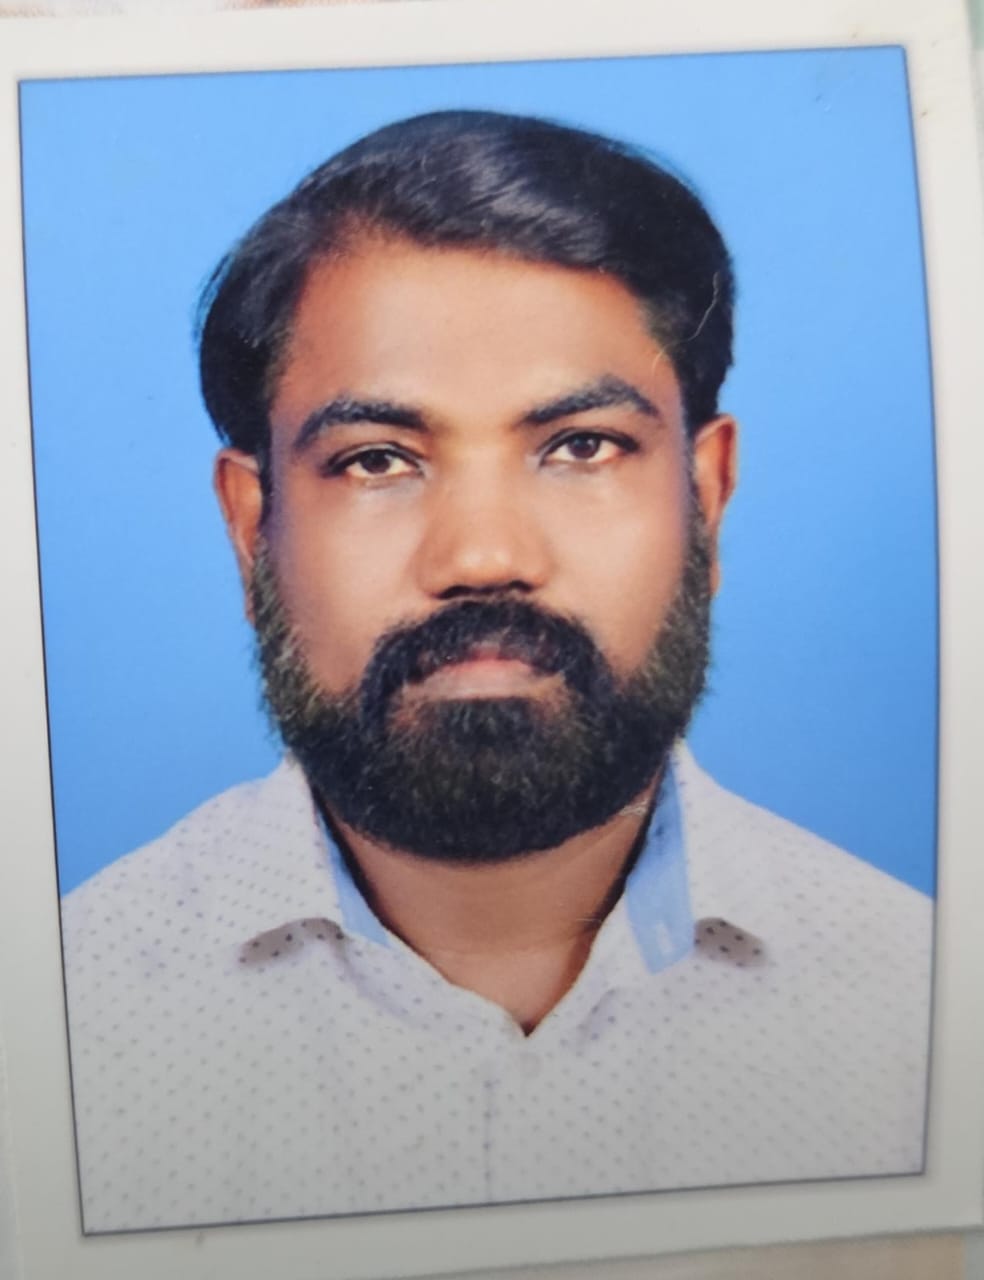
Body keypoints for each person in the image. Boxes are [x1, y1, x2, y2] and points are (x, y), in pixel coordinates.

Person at [60, 109, 932, 1234]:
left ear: (707, 499)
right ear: (249, 529)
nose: (482, 556)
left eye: (581, 447)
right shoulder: (59, 1030)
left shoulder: (925, 1009)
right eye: (378, 460)